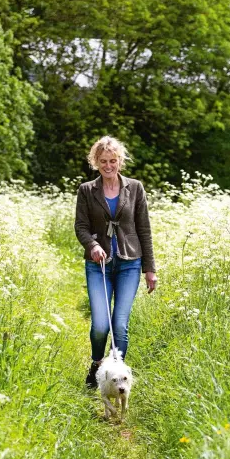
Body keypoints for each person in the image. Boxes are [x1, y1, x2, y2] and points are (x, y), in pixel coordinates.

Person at [74, 135, 157, 389]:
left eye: (112, 160)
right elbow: (81, 226)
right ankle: (98, 365)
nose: (108, 166)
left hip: (129, 263)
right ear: (95, 162)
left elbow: (144, 229)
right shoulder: (87, 190)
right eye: (103, 161)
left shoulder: (135, 188)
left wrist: (150, 269)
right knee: (100, 324)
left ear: (119, 161)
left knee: (119, 325)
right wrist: (93, 245)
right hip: (98, 264)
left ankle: (117, 378)